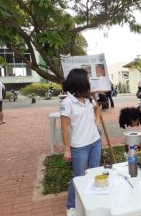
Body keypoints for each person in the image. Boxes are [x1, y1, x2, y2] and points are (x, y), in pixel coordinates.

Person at [60, 68, 102, 216]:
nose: (89, 82)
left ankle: (91, 201)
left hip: (95, 142)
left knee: (94, 172)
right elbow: (64, 129)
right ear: (80, 82)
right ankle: (71, 207)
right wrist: (67, 149)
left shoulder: (89, 98)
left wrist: (96, 120)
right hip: (80, 147)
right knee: (78, 177)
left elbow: (98, 109)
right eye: (87, 79)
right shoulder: (67, 102)